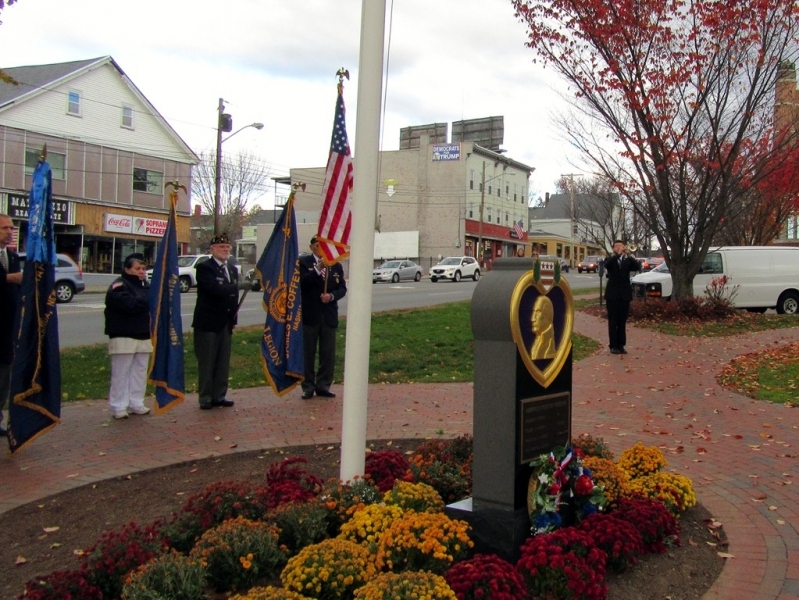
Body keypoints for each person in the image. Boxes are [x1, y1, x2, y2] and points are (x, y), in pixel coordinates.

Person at [192, 234, 257, 410]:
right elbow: (214, 290)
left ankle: (219, 395)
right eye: (221, 247)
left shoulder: (231, 269)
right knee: (207, 362)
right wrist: (237, 286)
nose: (225, 250)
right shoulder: (205, 267)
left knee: (222, 362)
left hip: (225, 323)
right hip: (208, 322)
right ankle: (205, 397)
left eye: (227, 247)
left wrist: (233, 319)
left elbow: (232, 298)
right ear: (212, 250)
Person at [104, 253, 152, 419]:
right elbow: (130, 305)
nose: (141, 271)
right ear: (127, 269)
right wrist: (147, 300)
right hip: (123, 334)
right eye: (137, 268)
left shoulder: (145, 285)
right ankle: (119, 405)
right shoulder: (119, 286)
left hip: (143, 333)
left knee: (139, 370)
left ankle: (136, 401)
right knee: (121, 372)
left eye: (143, 268)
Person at [299, 235, 347, 399]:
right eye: (318, 245)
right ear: (312, 246)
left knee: (328, 353)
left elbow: (342, 288)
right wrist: (318, 268)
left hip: (328, 315)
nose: (321, 249)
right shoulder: (303, 263)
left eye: (324, 246)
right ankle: (307, 386)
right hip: (310, 314)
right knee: (308, 353)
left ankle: (324, 385)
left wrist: (332, 296)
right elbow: (301, 284)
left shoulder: (336, 265)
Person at [0, 214, 21, 437]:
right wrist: (10, 278)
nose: (9, 232)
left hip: (7, 328)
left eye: (11, 229)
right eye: (4, 228)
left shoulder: (12, 256)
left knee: (4, 374)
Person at [603, 240, 641, 355]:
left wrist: (628, 255)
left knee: (622, 321)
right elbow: (607, 265)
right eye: (616, 246)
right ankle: (613, 345)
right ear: (613, 248)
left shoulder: (627, 260)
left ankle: (621, 345)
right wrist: (618, 254)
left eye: (621, 246)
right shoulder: (610, 259)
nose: (619, 248)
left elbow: (636, 267)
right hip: (612, 295)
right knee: (613, 321)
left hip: (624, 295)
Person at [530, 295, 557, 360]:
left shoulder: (550, 344)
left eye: (538, 312)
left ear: (547, 314)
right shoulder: (537, 340)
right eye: (534, 312)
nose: (532, 319)